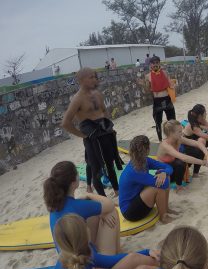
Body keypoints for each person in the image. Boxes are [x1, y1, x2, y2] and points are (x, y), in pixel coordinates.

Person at [61, 67, 122, 197]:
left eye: (95, 76)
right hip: (92, 138)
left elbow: (104, 110)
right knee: (96, 170)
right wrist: (82, 135)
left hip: (105, 133)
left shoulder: (97, 94)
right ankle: (102, 198)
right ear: (81, 80)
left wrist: (107, 125)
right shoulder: (77, 99)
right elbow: (66, 123)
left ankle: (117, 191)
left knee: (110, 165)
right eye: (91, 77)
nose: (95, 79)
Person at [44, 161, 120, 255]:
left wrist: (100, 213)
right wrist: (89, 194)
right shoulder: (77, 206)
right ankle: (116, 253)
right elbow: (110, 204)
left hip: (69, 262)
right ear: (73, 183)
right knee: (111, 212)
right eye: (77, 173)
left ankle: (112, 252)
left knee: (97, 214)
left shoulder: (55, 206)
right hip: (88, 265)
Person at [118, 135, 177, 224]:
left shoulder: (145, 160)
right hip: (130, 212)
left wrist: (164, 172)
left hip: (137, 198)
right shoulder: (134, 170)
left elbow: (168, 167)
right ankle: (164, 217)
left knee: (164, 176)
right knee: (158, 185)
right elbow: (164, 184)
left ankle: (166, 208)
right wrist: (163, 173)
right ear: (147, 150)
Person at [157, 120, 208, 192]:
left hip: (174, 166)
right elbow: (183, 157)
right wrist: (204, 163)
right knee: (180, 162)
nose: (182, 133)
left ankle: (195, 174)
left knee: (198, 151)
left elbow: (197, 143)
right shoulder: (165, 145)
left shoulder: (179, 139)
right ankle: (179, 186)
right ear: (171, 133)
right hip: (165, 172)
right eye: (179, 132)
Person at [145, 56, 176, 141]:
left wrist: (173, 85)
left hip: (167, 99)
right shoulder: (148, 76)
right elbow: (148, 90)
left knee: (172, 120)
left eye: (157, 63)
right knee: (158, 122)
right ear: (150, 64)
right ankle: (160, 140)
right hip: (157, 101)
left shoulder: (165, 73)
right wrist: (144, 85)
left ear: (159, 63)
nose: (155, 64)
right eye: (153, 63)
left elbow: (170, 85)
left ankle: (173, 137)